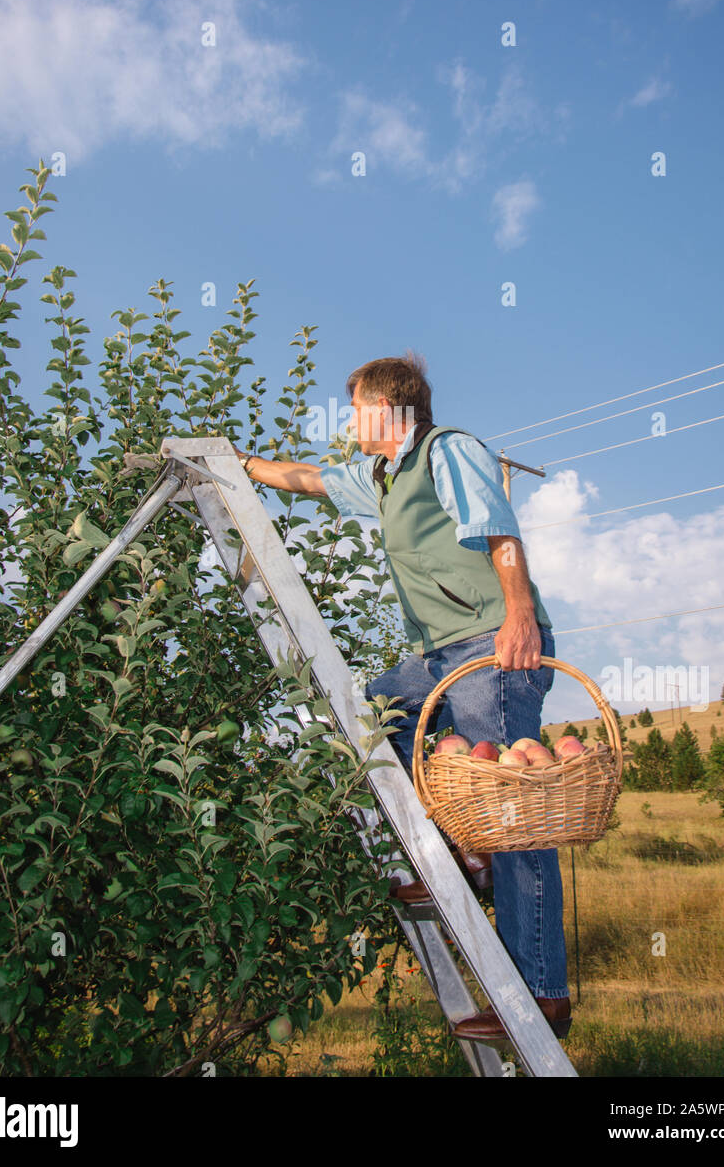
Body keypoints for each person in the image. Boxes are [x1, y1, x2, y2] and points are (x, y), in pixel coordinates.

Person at [234, 352, 570, 1042]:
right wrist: (240, 463)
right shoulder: (383, 476)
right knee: (368, 721)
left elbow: (501, 532)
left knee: (510, 814)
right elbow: (311, 480)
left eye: (356, 408)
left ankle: (541, 996)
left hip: (491, 644)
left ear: (388, 409)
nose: (349, 420)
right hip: (439, 654)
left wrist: (519, 617)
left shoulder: (449, 452)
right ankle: (452, 857)